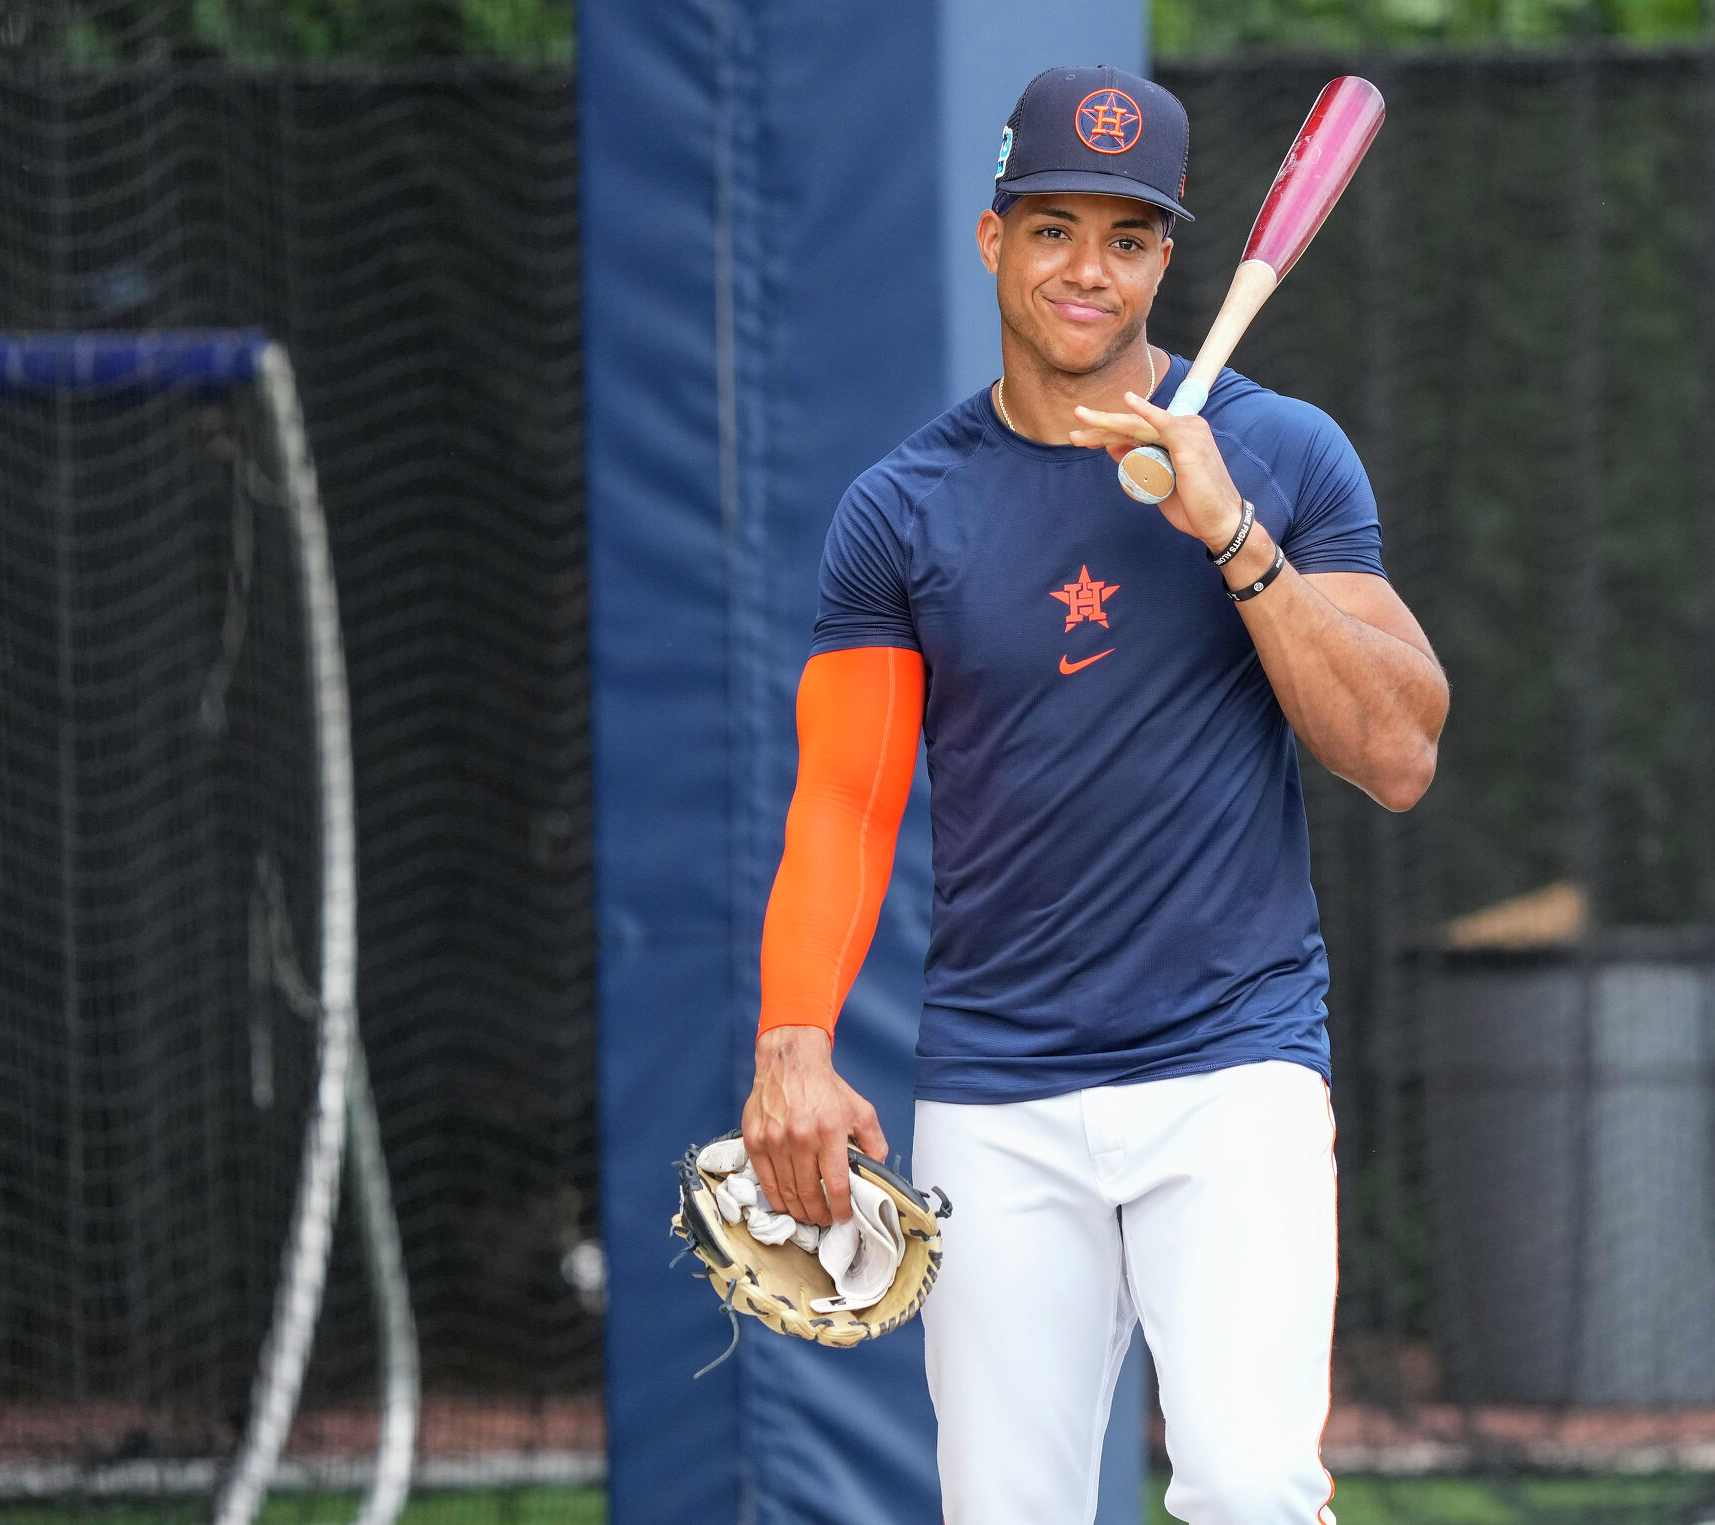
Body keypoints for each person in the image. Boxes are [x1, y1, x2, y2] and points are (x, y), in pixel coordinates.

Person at [740, 64, 1448, 1525]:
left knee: (1254, 1488)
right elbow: (846, 803)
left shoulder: (1278, 454)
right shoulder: (904, 508)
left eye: (1126, 237)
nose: (1086, 268)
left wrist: (1232, 532)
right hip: (1001, 1090)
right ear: (992, 238)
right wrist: (794, 1040)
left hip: (1233, 1068)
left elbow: (1397, 752)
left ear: (1167, 260)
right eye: (1052, 226)